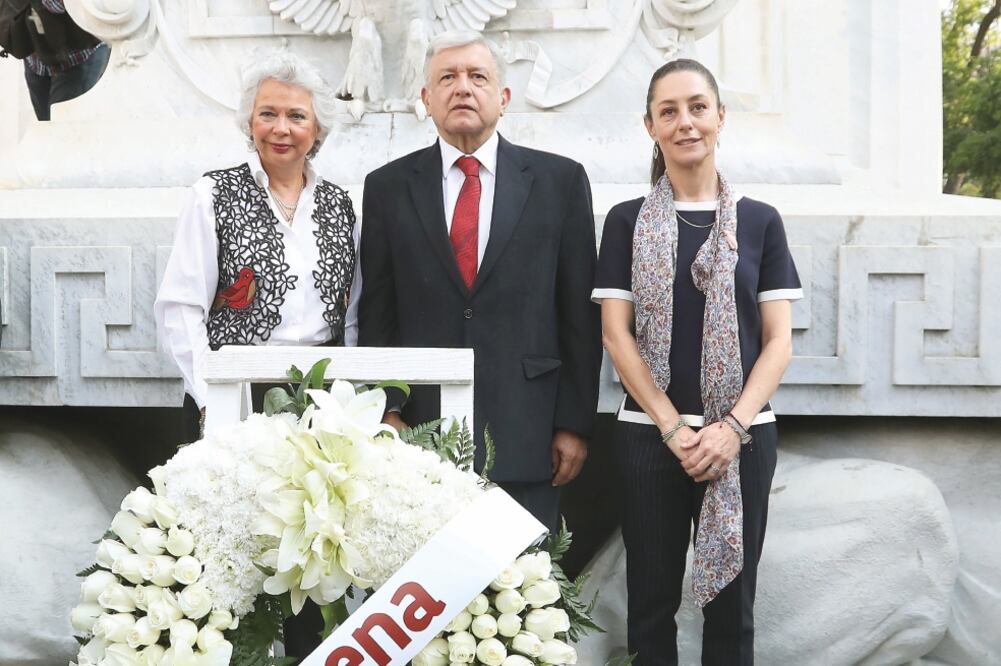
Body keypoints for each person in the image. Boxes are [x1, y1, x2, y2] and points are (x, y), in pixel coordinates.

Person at [593, 59, 802, 665]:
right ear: (650, 127)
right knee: (650, 607)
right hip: (648, 436)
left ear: (720, 117)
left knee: (733, 608)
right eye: (669, 111)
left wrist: (731, 428)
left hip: (744, 438)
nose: (685, 122)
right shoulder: (627, 222)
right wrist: (672, 426)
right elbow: (615, 334)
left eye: (697, 107)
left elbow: (778, 342)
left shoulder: (761, 221)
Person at [358, 31, 602, 533]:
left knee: (521, 598)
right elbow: (377, 313)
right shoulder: (386, 188)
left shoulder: (560, 182)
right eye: (447, 78)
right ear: (426, 100)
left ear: (504, 98)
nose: (462, 88)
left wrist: (574, 423)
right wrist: (385, 407)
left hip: (529, 431)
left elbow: (579, 315)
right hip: (419, 438)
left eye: (477, 77)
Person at [15, 0, 110, 121]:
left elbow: (65, 6)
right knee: (45, 127)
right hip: (35, 58)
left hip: (78, 57)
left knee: (65, 126)